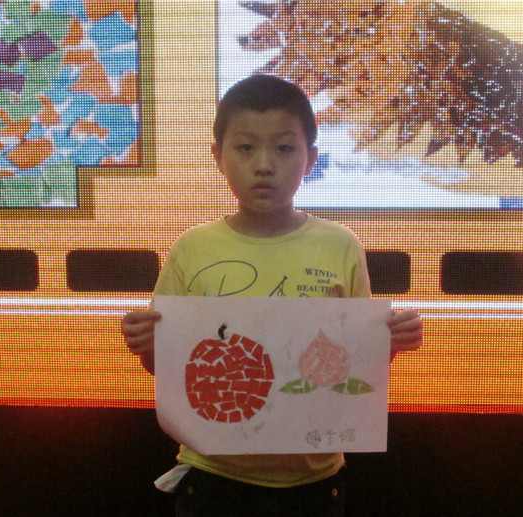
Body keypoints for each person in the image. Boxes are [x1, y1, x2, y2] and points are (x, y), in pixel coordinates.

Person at [122, 74, 423, 517]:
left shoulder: (340, 246)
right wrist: (147, 345)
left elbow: (353, 364)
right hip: (212, 475)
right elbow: (167, 371)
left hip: (313, 479)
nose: (264, 165)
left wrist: (390, 341)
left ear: (310, 158)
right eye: (245, 148)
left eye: (283, 148)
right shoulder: (191, 248)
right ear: (218, 157)